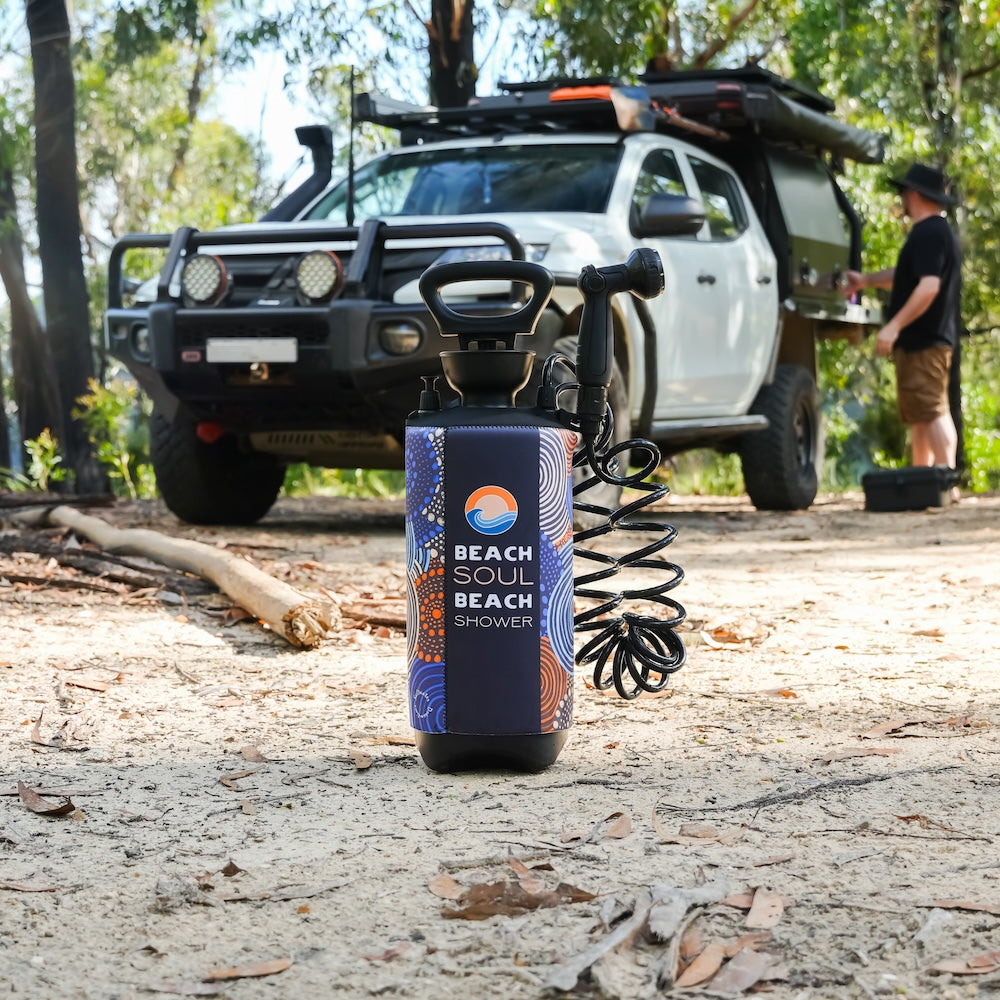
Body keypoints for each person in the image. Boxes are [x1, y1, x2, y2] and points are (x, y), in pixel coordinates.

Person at [842, 163, 962, 472]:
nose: (902, 201)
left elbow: (928, 286)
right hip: (921, 341)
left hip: (925, 339)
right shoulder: (933, 233)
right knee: (920, 414)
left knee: (933, 411)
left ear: (913, 194)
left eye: (904, 194)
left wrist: (893, 327)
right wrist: (865, 280)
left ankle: (945, 479)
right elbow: (908, 276)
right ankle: (924, 481)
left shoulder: (929, 231)